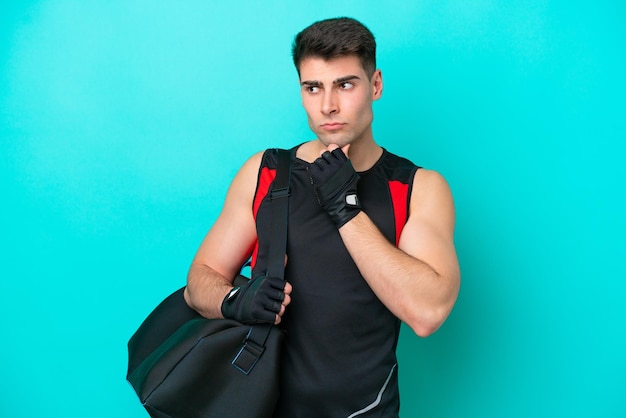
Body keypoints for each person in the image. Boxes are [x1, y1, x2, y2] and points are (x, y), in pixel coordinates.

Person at [184, 16, 460, 417]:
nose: (328, 105)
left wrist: (345, 210)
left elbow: (428, 312)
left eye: (345, 84)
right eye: (313, 88)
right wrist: (234, 299)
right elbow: (198, 284)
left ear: (376, 85)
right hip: (264, 408)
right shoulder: (266, 173)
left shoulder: (418, 187)